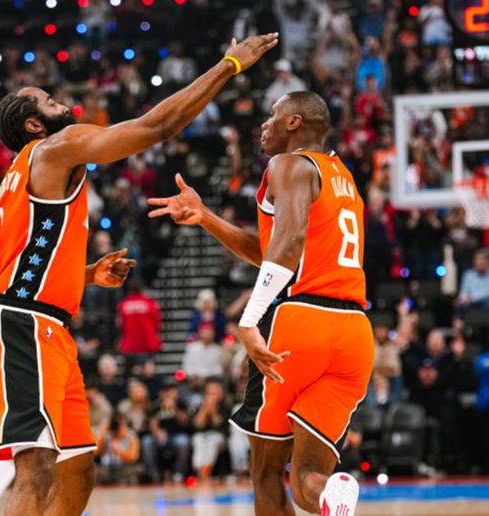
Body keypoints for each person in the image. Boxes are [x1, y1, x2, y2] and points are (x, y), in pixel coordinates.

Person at [0, 33, 278, 516]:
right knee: (36, 466)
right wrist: (228, 65)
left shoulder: (24, 175)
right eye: (49, 101)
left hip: (44, 321)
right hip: (22, 323)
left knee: (78, 467)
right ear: (34, 124)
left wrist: (87, 274)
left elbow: (24, 261)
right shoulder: (55, 146)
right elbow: (157, 126)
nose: (61, 103)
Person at [149, 91, 373, 515]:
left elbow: (288, 244)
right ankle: (332, 494)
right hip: (354, 334)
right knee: (308, 477)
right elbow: (273, 249)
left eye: (273, 115)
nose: (265, 124)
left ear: (295, 122)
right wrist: (206, 217)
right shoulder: (341, 176)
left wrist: (249, 319)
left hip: (298, 322)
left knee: (266, 472)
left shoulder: (289, 164)